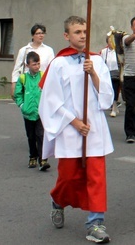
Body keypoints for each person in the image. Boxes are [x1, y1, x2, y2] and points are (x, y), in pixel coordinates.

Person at [39, 16, 114, 244]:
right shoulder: (59, 63)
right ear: (67, 36)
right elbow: (51, 101)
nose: (82, 35)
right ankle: (58, 200)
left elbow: (108, 96)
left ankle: (95, 223)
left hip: (94, 129)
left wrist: (92, 74)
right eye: (77, 32)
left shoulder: (97, 61)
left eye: (85, 31)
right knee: (69, 178)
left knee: (96, 177)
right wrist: (74, 121)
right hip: (70, 130)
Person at [14, 51, 49, 171]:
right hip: (28, 113)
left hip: (40, 113)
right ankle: (32, 157)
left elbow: (48, 92)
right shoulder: (23, 78)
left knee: (41, 135)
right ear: (27, 65)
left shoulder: (43, 75)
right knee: (31, 136)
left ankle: (43, 160)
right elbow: (18, 94)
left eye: (38, 64)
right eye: (34, 64)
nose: (37, 66)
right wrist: (22, 105)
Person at [11, 23, 55, 97]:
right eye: (38, 33)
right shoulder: (24, 50)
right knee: (28, 106)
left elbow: (52, 69)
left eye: (42, 33)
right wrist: (14, 84)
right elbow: (17, 68)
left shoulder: (48, 50)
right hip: (28, 84)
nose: (41, 35)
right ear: (33, 35)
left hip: (42, 84)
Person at [100, 34, 121, 118]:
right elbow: (102, 62)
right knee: (109, 89)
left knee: (115, 89)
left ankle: (114, 107)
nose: (111, 43)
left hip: (116, 73)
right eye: (109, 41)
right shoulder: (104, 51)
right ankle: (113, 106)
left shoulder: (118, 51)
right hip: (107, 73)